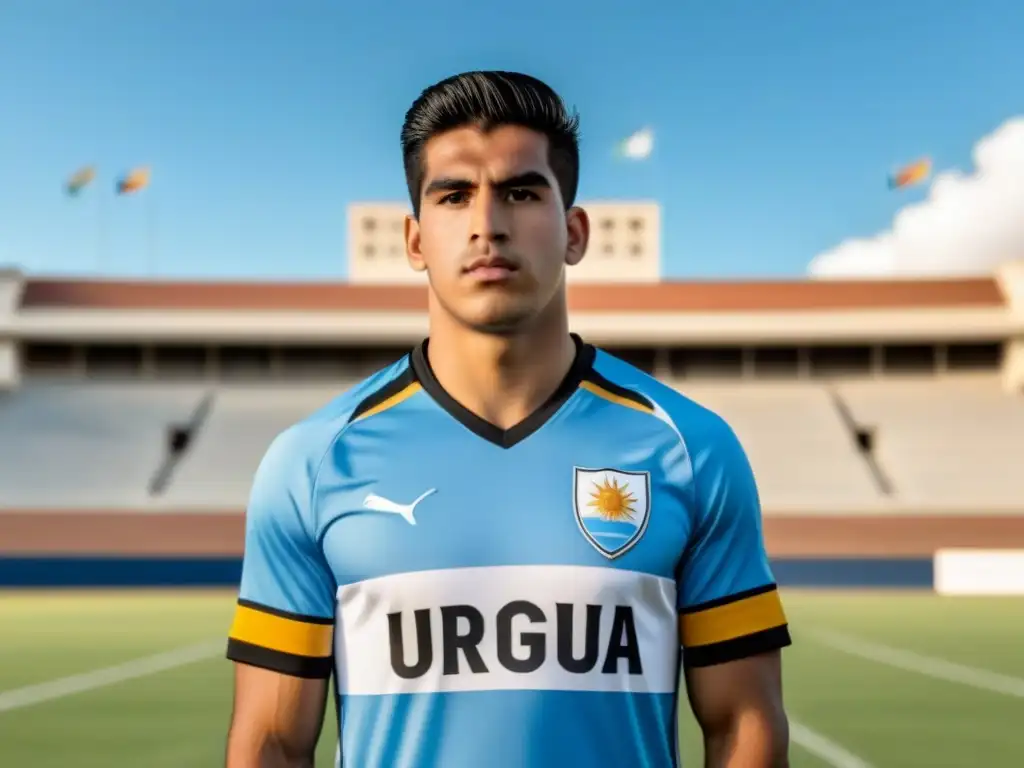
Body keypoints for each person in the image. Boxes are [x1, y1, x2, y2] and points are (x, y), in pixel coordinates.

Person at [224, 70, 792, 768]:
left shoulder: (691, 449)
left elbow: (743, 723)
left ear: (575, 231)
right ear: (413, 240)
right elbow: (272, 742)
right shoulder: (311, 462)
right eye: (454, 195)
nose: (487, 224)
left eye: (521, 192)